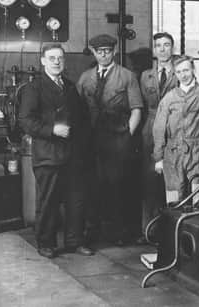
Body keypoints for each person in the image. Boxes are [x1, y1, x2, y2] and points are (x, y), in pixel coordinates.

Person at [19, 43, 94, 258]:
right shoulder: (33, 88)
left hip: (73, 156)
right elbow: (25, 121)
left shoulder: (70, 87)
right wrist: (52, 129)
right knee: (49, 202)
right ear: (43, 61)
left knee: (76, 200)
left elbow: (82, 120)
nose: (56, 61)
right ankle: (46, 243)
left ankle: (74, 241)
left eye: (60, 57)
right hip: (48, 156)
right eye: (52, 58)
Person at [76, 34, 143, 246]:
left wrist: (126, 136)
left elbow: (137, 109)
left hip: (117, 137)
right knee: (93, 186)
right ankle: (93, 232)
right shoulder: (85, 77)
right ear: (94, 53)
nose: (103, 54)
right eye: (99, 51)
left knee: (118, 186)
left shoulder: (127, 76)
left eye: (107, 50)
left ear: (114, 51)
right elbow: (76, 110)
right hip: (92, 140)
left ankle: (121, 233)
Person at [153, 56, 199, 206]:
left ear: (193, 70)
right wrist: (159, 158)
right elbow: (159, 128)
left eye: (186, 70)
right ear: (175, 74)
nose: (183, 75)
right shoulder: (169, 98)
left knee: (198, 198)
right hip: (172, 153)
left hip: (197, 151)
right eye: (179, 72)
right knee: (173, 200)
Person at [138, 32, 178, 241]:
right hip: (150, 132)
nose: (162, 49)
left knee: (172, 181)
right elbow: (141, 105)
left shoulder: (180, 73)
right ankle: (148, 231)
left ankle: (171, 232)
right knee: (149, 181)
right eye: (158, 46)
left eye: (167, 45)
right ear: (154, 50)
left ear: (172, 48)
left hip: (174, 130)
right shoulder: (146, 76)